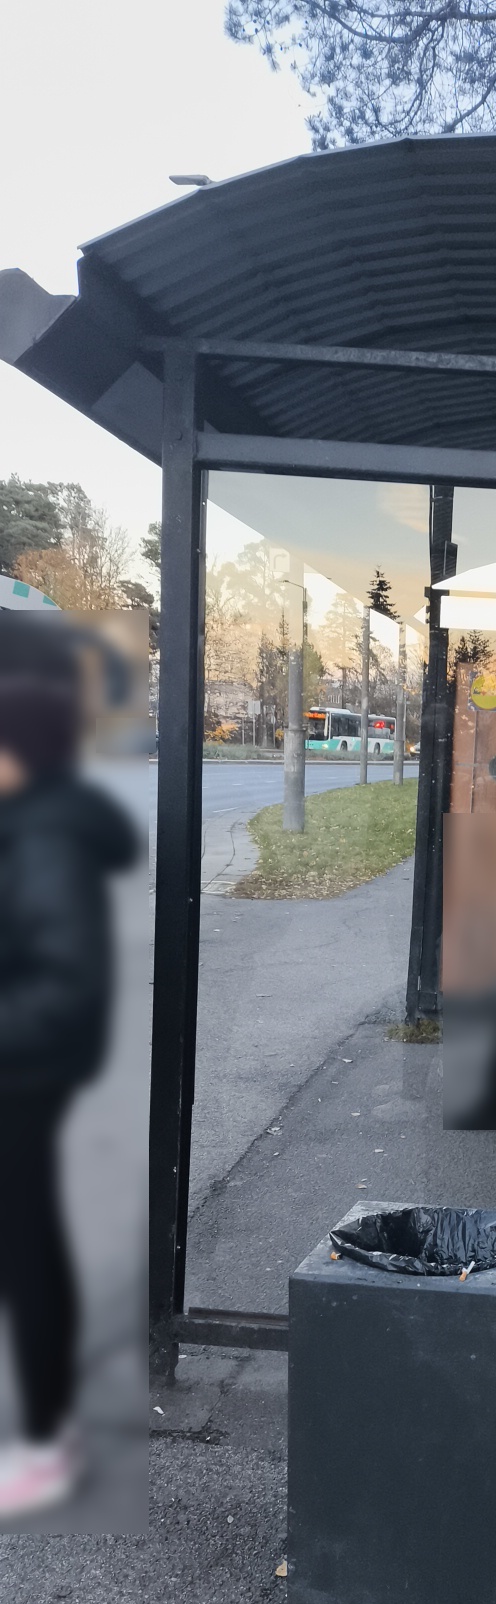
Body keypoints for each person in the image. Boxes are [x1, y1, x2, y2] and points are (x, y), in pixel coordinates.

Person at [0, 618, 137, 1518]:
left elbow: (66, 989)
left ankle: (48, 1439)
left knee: (24, 1246)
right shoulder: (25, 821)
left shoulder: (45, 834)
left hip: (22, 1074)